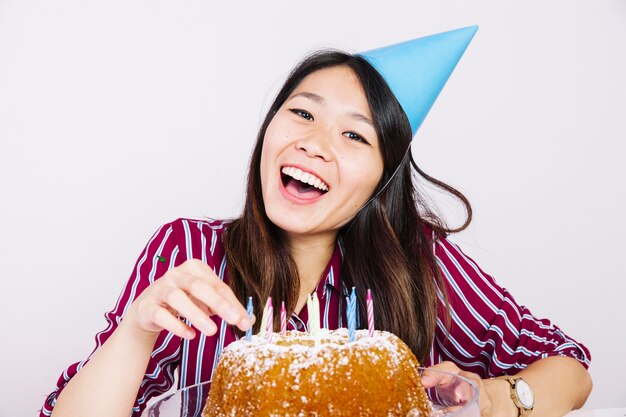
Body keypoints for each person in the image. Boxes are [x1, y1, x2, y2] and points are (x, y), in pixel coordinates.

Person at [42, 27, 591, 417]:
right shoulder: (187, 251)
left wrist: (495, 400)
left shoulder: (419, 263)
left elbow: (568, 367)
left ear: (381, 178)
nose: (314, 143)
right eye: (302, 113)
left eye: (354, 135)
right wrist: (137, 332)